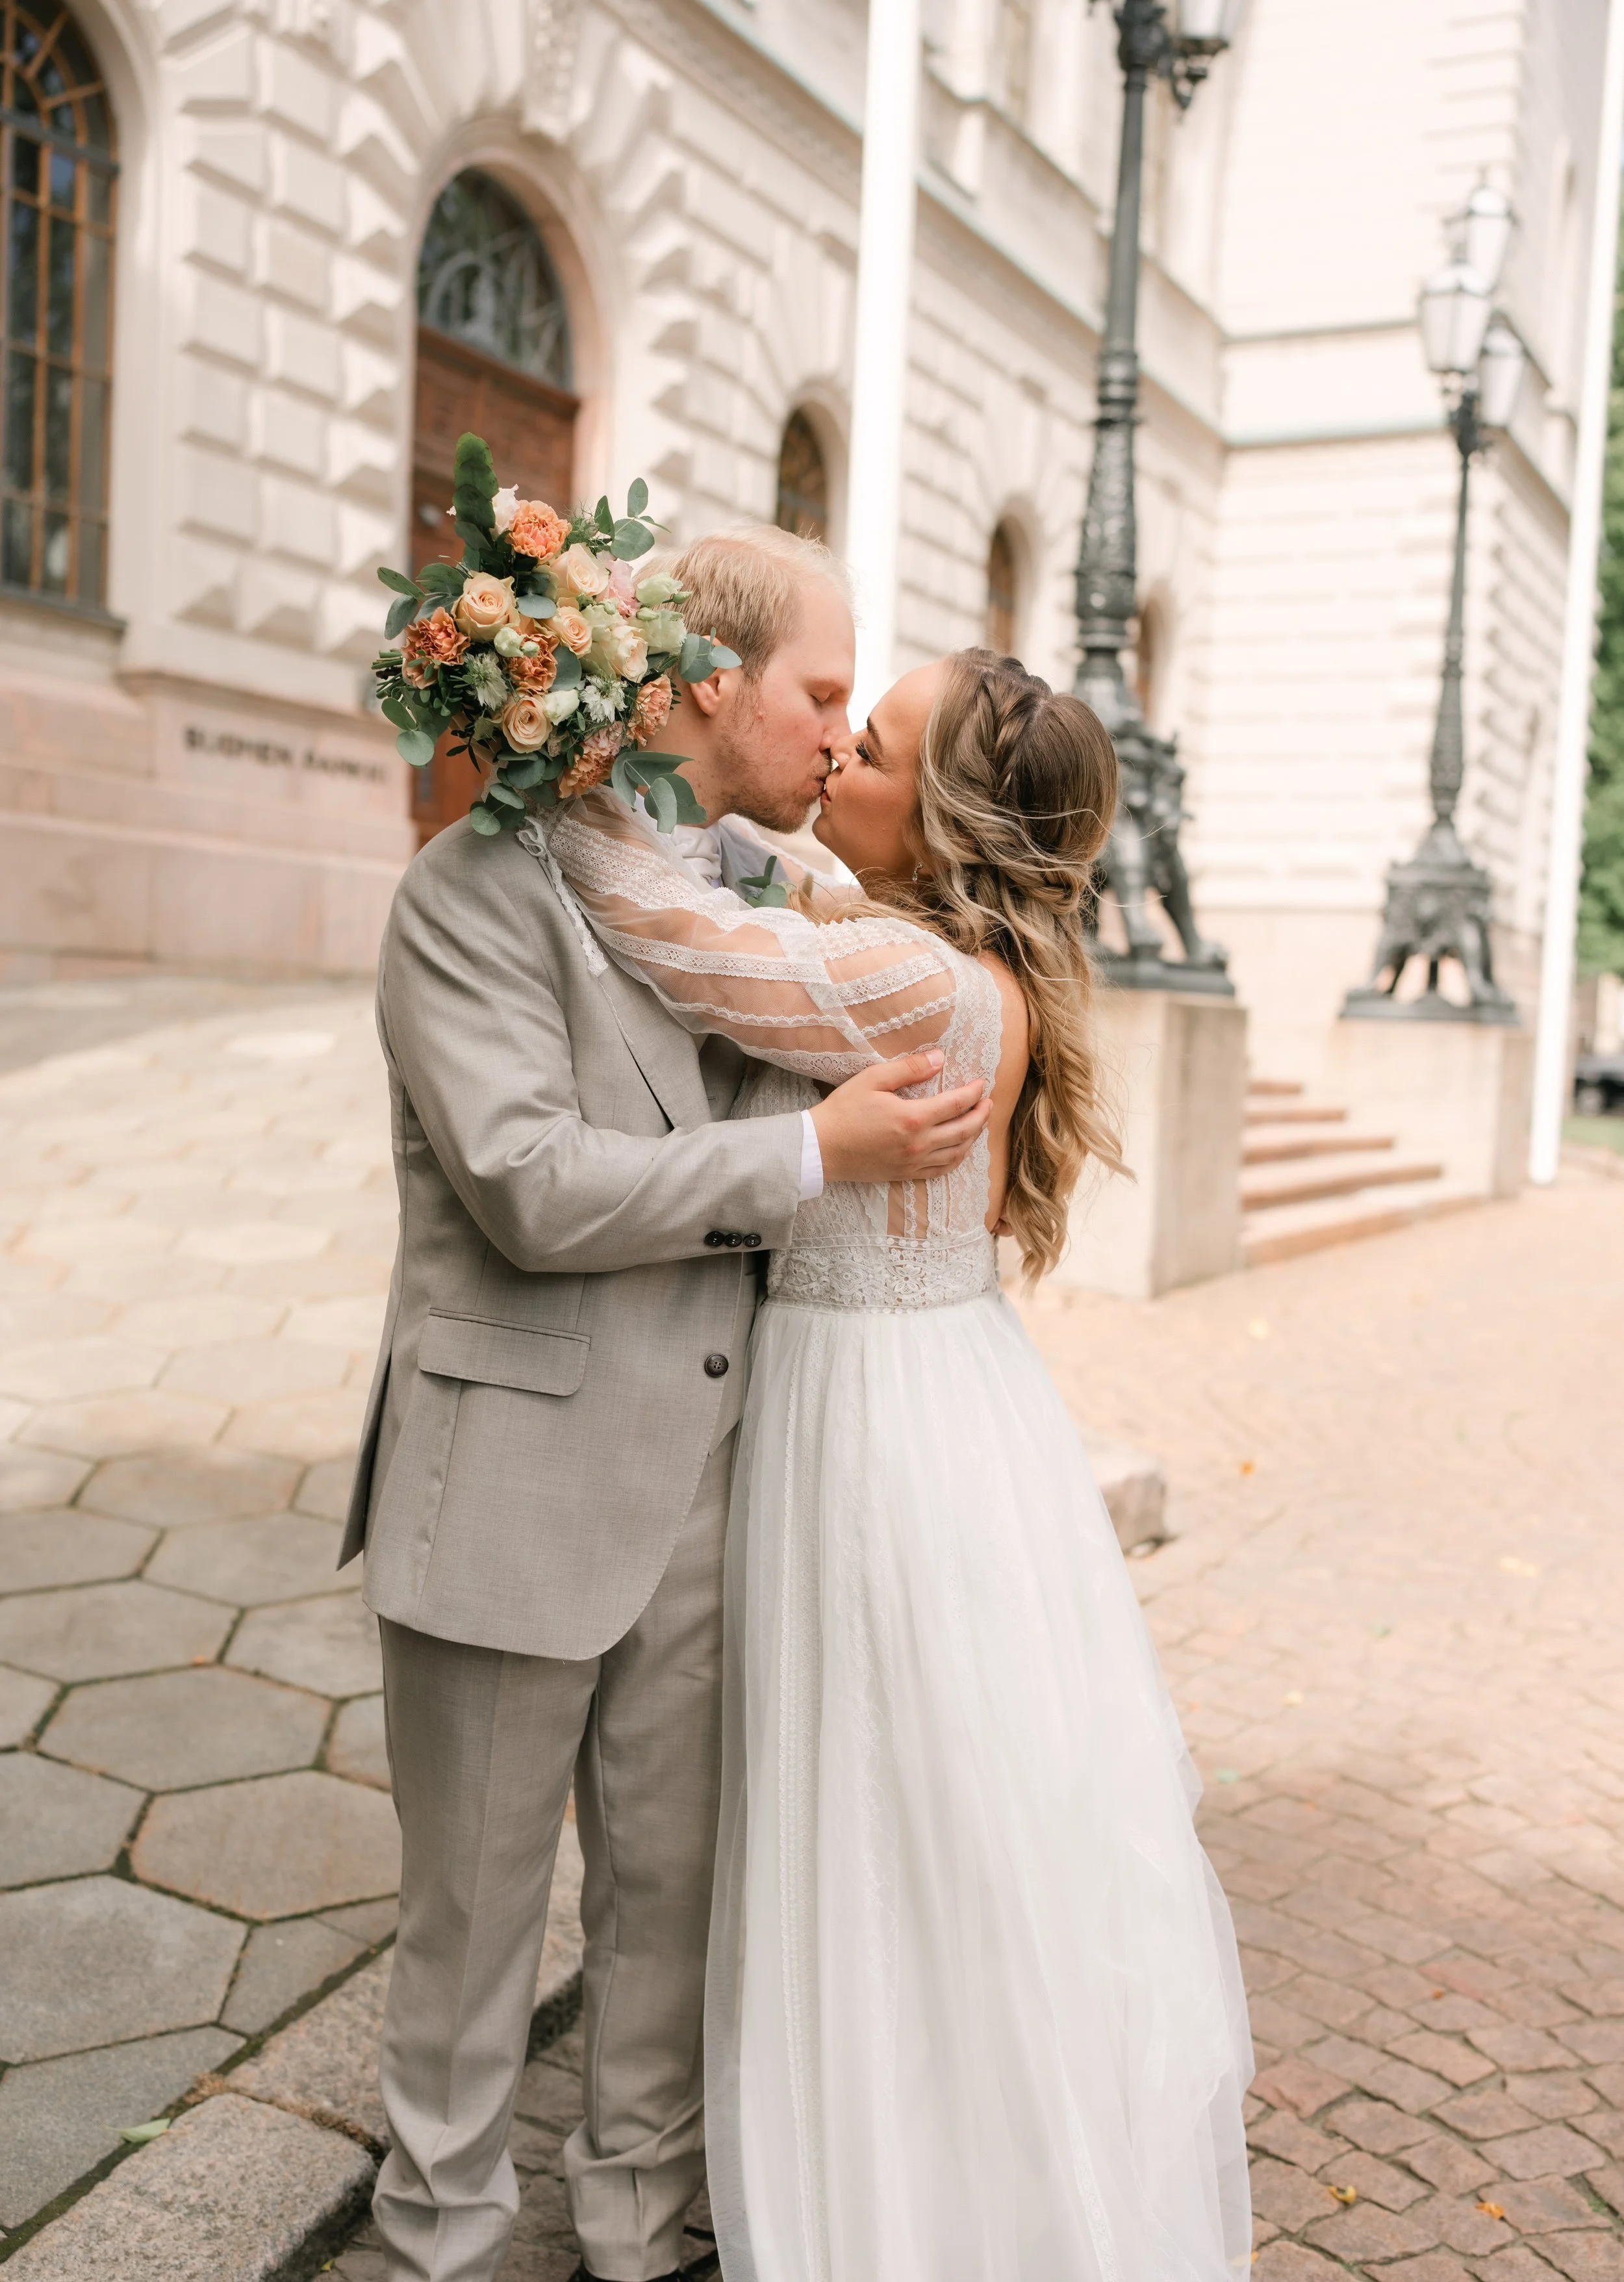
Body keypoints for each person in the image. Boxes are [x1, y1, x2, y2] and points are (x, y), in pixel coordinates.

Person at [546, 648, 1255, 2282]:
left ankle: (903, 2199)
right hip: (933, 1393)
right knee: (921, 1804)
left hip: (874, 1424)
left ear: (933, 822)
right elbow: (779, 878)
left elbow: (674, 938)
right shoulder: (928, 951)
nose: (831, 758)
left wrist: (547, 753)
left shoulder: (917, 986)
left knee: (875, 1804)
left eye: (863, 745)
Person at [342, 528, 995, 2282]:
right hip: (514, 1477)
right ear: (708, 680)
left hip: (721, 1490)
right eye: (820, 691)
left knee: (672, 1906)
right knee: (472, 1927)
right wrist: (808, 1152)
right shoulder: (472, 890)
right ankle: (440, 2238)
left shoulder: (766, 898)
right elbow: (528, 1186)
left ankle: (641, 2228)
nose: (839, 735)